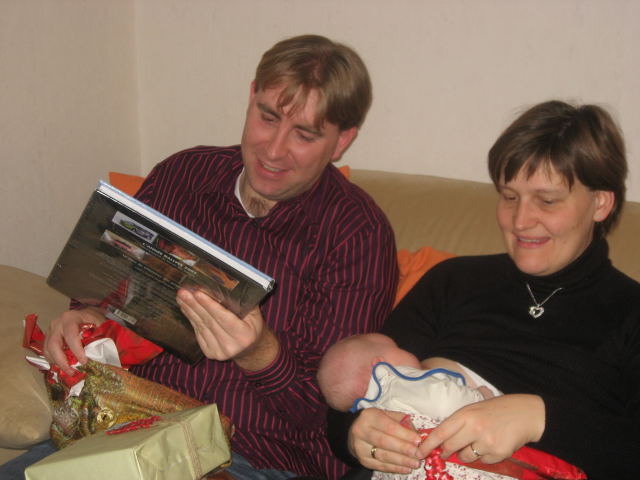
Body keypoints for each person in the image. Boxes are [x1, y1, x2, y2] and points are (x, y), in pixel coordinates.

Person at [1, 34, 399, 480]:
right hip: (125, 428)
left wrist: (260, 353)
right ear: (251, 97)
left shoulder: (357, 235)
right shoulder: (183, 176)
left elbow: (331, 420)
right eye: (267, 118)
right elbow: (104, 291)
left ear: (342, 140)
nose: (273, 150)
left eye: (304, 135)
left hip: (252, 459)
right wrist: (85, 318)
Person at [327, 100, 640, 480]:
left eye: (547, 200)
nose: (521, 221)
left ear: (600, 203)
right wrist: (357, 436)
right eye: (509, 197)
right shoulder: (453, 281)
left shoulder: (631, 312)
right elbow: (350, 394)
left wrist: (539, 417)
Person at [317, 333, 495, 415]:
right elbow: (443, 401)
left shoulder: (379, 411)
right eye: (397, 347)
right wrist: (479, 398)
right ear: (380, 365)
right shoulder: (396, 383)